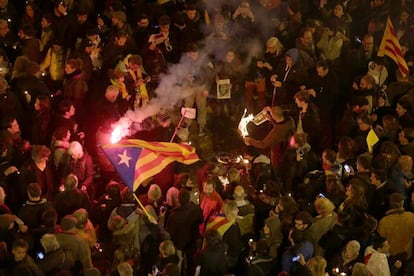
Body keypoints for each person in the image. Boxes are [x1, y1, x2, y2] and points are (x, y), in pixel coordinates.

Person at [244, 106, 295, 172]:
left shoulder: (276, 132)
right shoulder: (290, 120)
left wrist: (249, 140)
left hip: (279, 155)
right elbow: (281, 125)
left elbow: (263, 144)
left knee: (277, 171)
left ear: (274, 116)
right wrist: (271, 118)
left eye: (271, 114)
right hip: (288, 150)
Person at [378, 192, 414, 261]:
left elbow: (381, 240)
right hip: (407, 255)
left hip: (391, 258)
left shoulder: (384, 221)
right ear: (402, 203)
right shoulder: (411, 217)